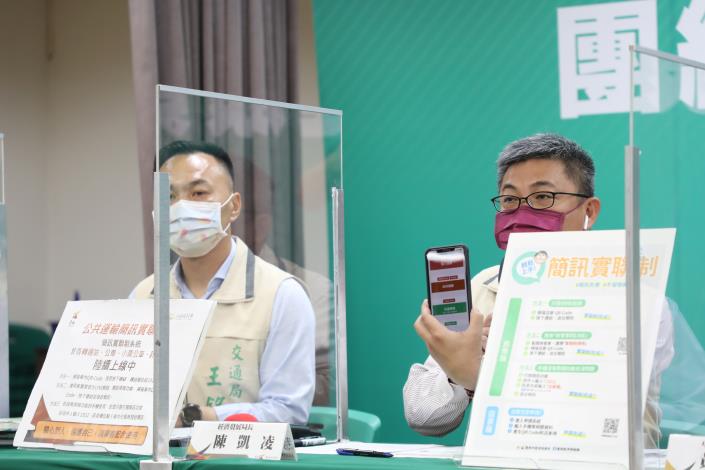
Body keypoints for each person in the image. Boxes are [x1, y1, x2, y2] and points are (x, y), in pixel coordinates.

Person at [403, 133, 674, 448]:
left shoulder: (635, 299)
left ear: (589, 211)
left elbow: (594, 415)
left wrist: (479, 376)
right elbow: (422, 417)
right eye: (509, 199)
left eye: (543, 196)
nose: (522, 211)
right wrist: (455, 375)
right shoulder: (484, 287)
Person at [132, 140, 316, 425]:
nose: (180, 207)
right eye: (169, 196)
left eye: (198, 193)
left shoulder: (281, 294)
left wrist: (194, 418)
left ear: (234, 206)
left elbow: (287, 410)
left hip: (240, 452)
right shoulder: (143, 295)